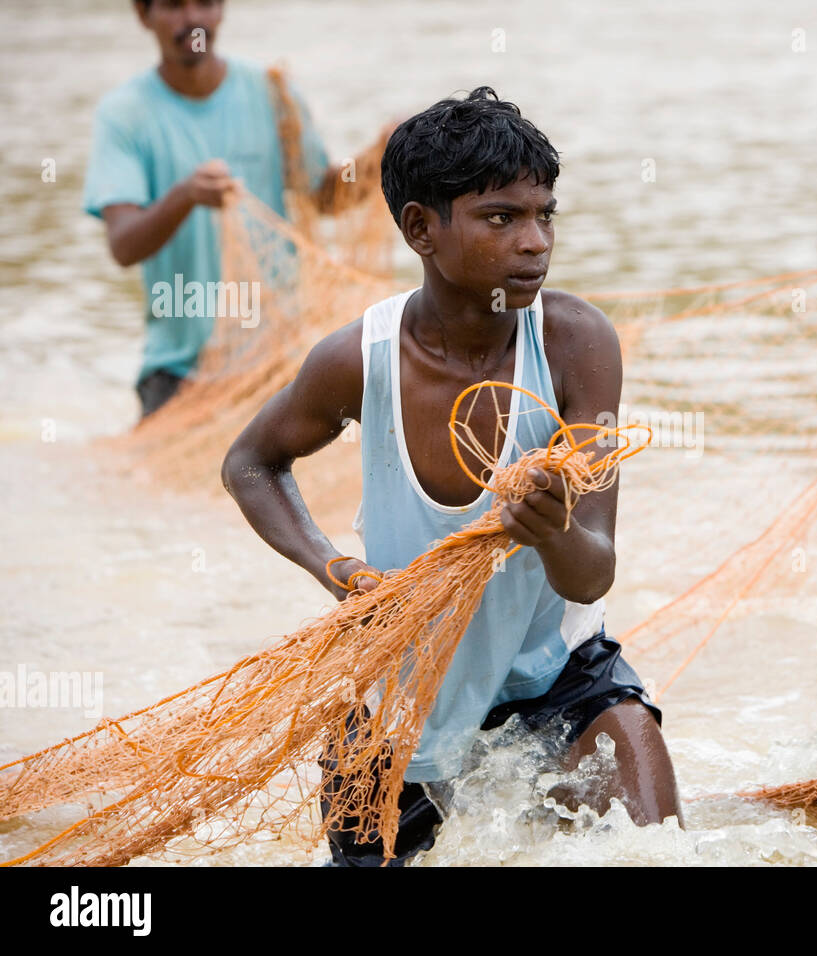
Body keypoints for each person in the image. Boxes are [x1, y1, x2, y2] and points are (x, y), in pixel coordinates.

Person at [221, 87, 681, 866]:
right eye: (501, 218)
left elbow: (592, 573)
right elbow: (250, 465)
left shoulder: (575, 345)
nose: (535, 242)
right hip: (395, 701)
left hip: (558, 679)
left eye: (545, 214)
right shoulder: (357, 362)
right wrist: (335, 569)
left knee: (659, 850)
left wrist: (555, 528)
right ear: (420, 229)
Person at [83, 0, 339, 418]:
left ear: (221, 10)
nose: (192, 20)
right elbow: (123, 245)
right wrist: (184, 196)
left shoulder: (272, 91)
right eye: (172, 6)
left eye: (205, 3)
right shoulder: (123, 115)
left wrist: (373, 161)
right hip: (179, 371)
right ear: (142, 15)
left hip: (275, 362)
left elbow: (323, 196)